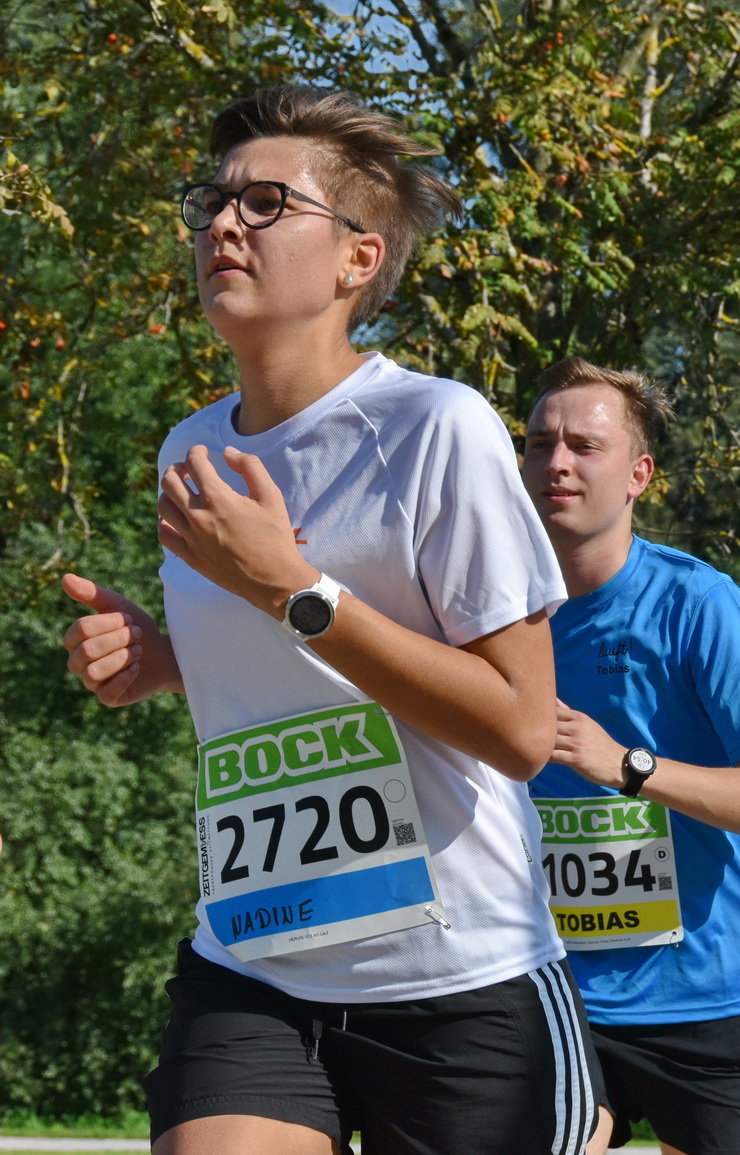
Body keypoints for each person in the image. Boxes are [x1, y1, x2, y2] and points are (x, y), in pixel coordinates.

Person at [59, 87, 592, 1155]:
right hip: (253, 962)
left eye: (264, 203)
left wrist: (293, 593)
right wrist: (164, 664)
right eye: (211, 201)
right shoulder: (187, 451)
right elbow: (290, 674)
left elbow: (522, 730)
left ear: (359, 260)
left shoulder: (438, 427)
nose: (220, 224)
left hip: (458, 978)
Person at [519, 356, 740, 1155]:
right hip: (560, 993)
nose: (558, 462)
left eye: (585, 444)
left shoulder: (698, 605)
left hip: (703, 997)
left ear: (638, 474)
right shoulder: (490, 612)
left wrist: (628, 765)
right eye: (541, 442)